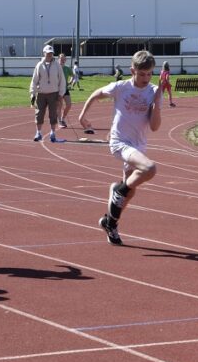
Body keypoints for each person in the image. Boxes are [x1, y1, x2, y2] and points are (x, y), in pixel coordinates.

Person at [78, 50, 162, 246]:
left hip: (138, 144)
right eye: (141, 74)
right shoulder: (120, 87)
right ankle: (119, 190)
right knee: (149, 169)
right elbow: (96, 94)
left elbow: (155, 126)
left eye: (149, 74)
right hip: (119, 142)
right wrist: (83, 116)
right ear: (132, 70)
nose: (145, 78)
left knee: (129, 193)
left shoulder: (153, 91)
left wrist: (157, 100)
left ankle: (110, 222)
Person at [29, 45, 66, 142]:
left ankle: (53, 133)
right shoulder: (39, 65)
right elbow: (34, 80)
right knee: (39, 114)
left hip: (54, 93)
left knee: (53, 114)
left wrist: (61, 94)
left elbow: (62, 80)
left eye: (51, 53)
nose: (49, 55)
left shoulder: (57, 65)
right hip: (41, 93)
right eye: (48, 53)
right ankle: (38, 133)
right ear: (44, 53)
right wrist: (32, 93)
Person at [58, 53, 72, 128]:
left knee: (69, 104)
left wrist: (70, 82)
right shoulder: (56, 68)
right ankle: (59, 121)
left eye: (64, 59)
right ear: (58, 59)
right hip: (58, 90)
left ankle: (63, 118)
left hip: (65, 89)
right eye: (61, 58)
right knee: (59, 106)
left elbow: (73, 76)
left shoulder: (67, 68)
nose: (62, 60)